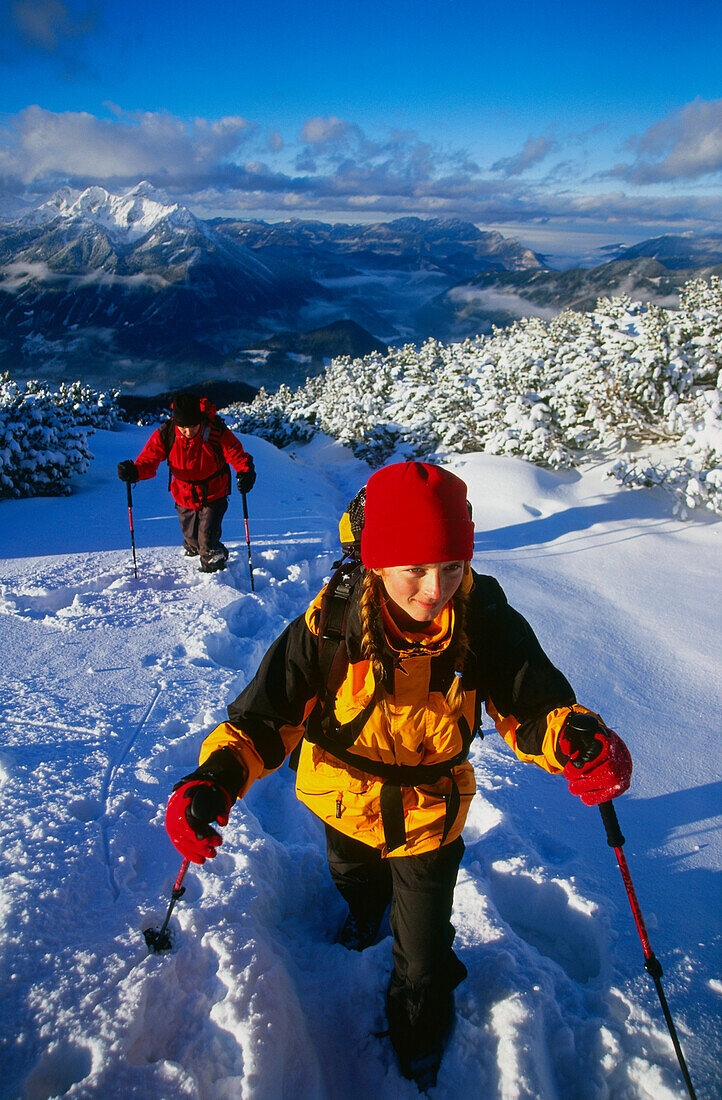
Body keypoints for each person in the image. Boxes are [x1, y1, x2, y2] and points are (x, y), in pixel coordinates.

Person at [164, 461, 632, 1087]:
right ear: (377, 563)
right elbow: (264, 718)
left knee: (423, 960)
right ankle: (365, 913)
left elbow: (535, 705)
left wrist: (577, 741)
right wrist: (214, 781)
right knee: (354, 877)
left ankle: (419, 1038)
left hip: (431, 814)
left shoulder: (482, 617)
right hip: (342, 798)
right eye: (414, 568)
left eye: (451, 566)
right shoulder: (331, 624)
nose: (434, 588)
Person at [117, 393, 256, 573]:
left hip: (214, 492)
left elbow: (236, 454)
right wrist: (134, 472)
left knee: (206, 540)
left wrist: (246, 472)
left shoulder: (215, 431)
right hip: (184, 495)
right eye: (183, 428)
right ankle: (204, 548)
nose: (189, 432)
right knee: (192, 539)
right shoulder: (166, 433)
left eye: (193, 426)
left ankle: (215, 575)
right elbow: (149, 461)